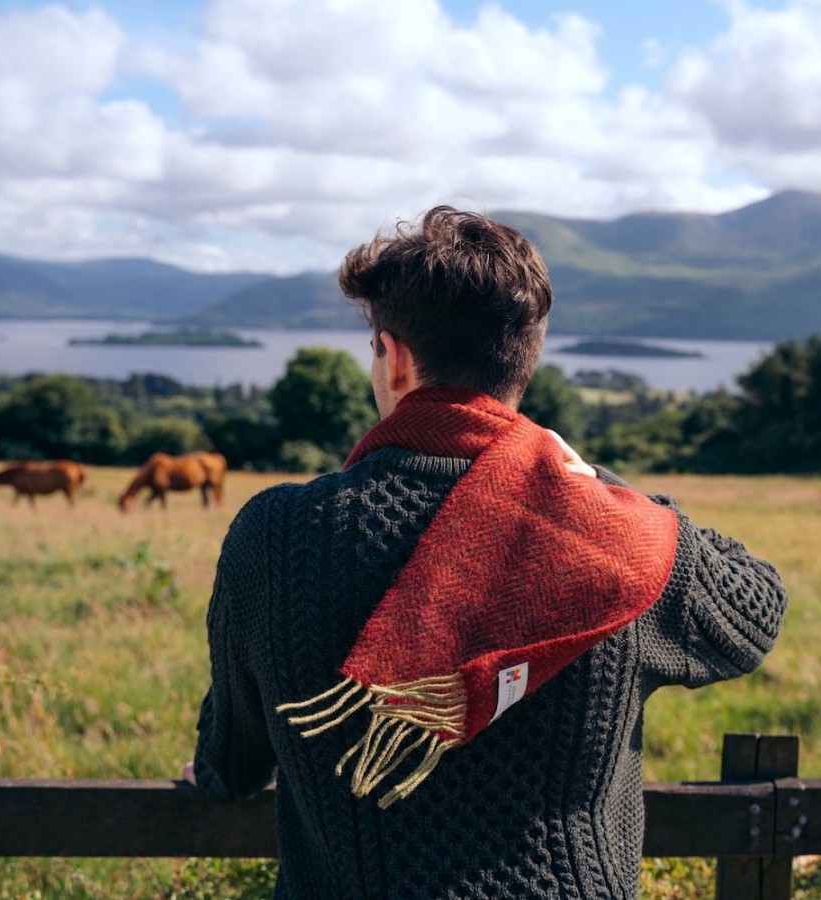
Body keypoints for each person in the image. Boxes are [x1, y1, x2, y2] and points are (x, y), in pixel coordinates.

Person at [185, 206, 787, 899]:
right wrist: (598, 487)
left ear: (398, 358)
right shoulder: (615, 539)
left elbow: (232, 761)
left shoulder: (275, 535)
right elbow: (756, 610)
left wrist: (216, 770)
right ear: (522, 361)